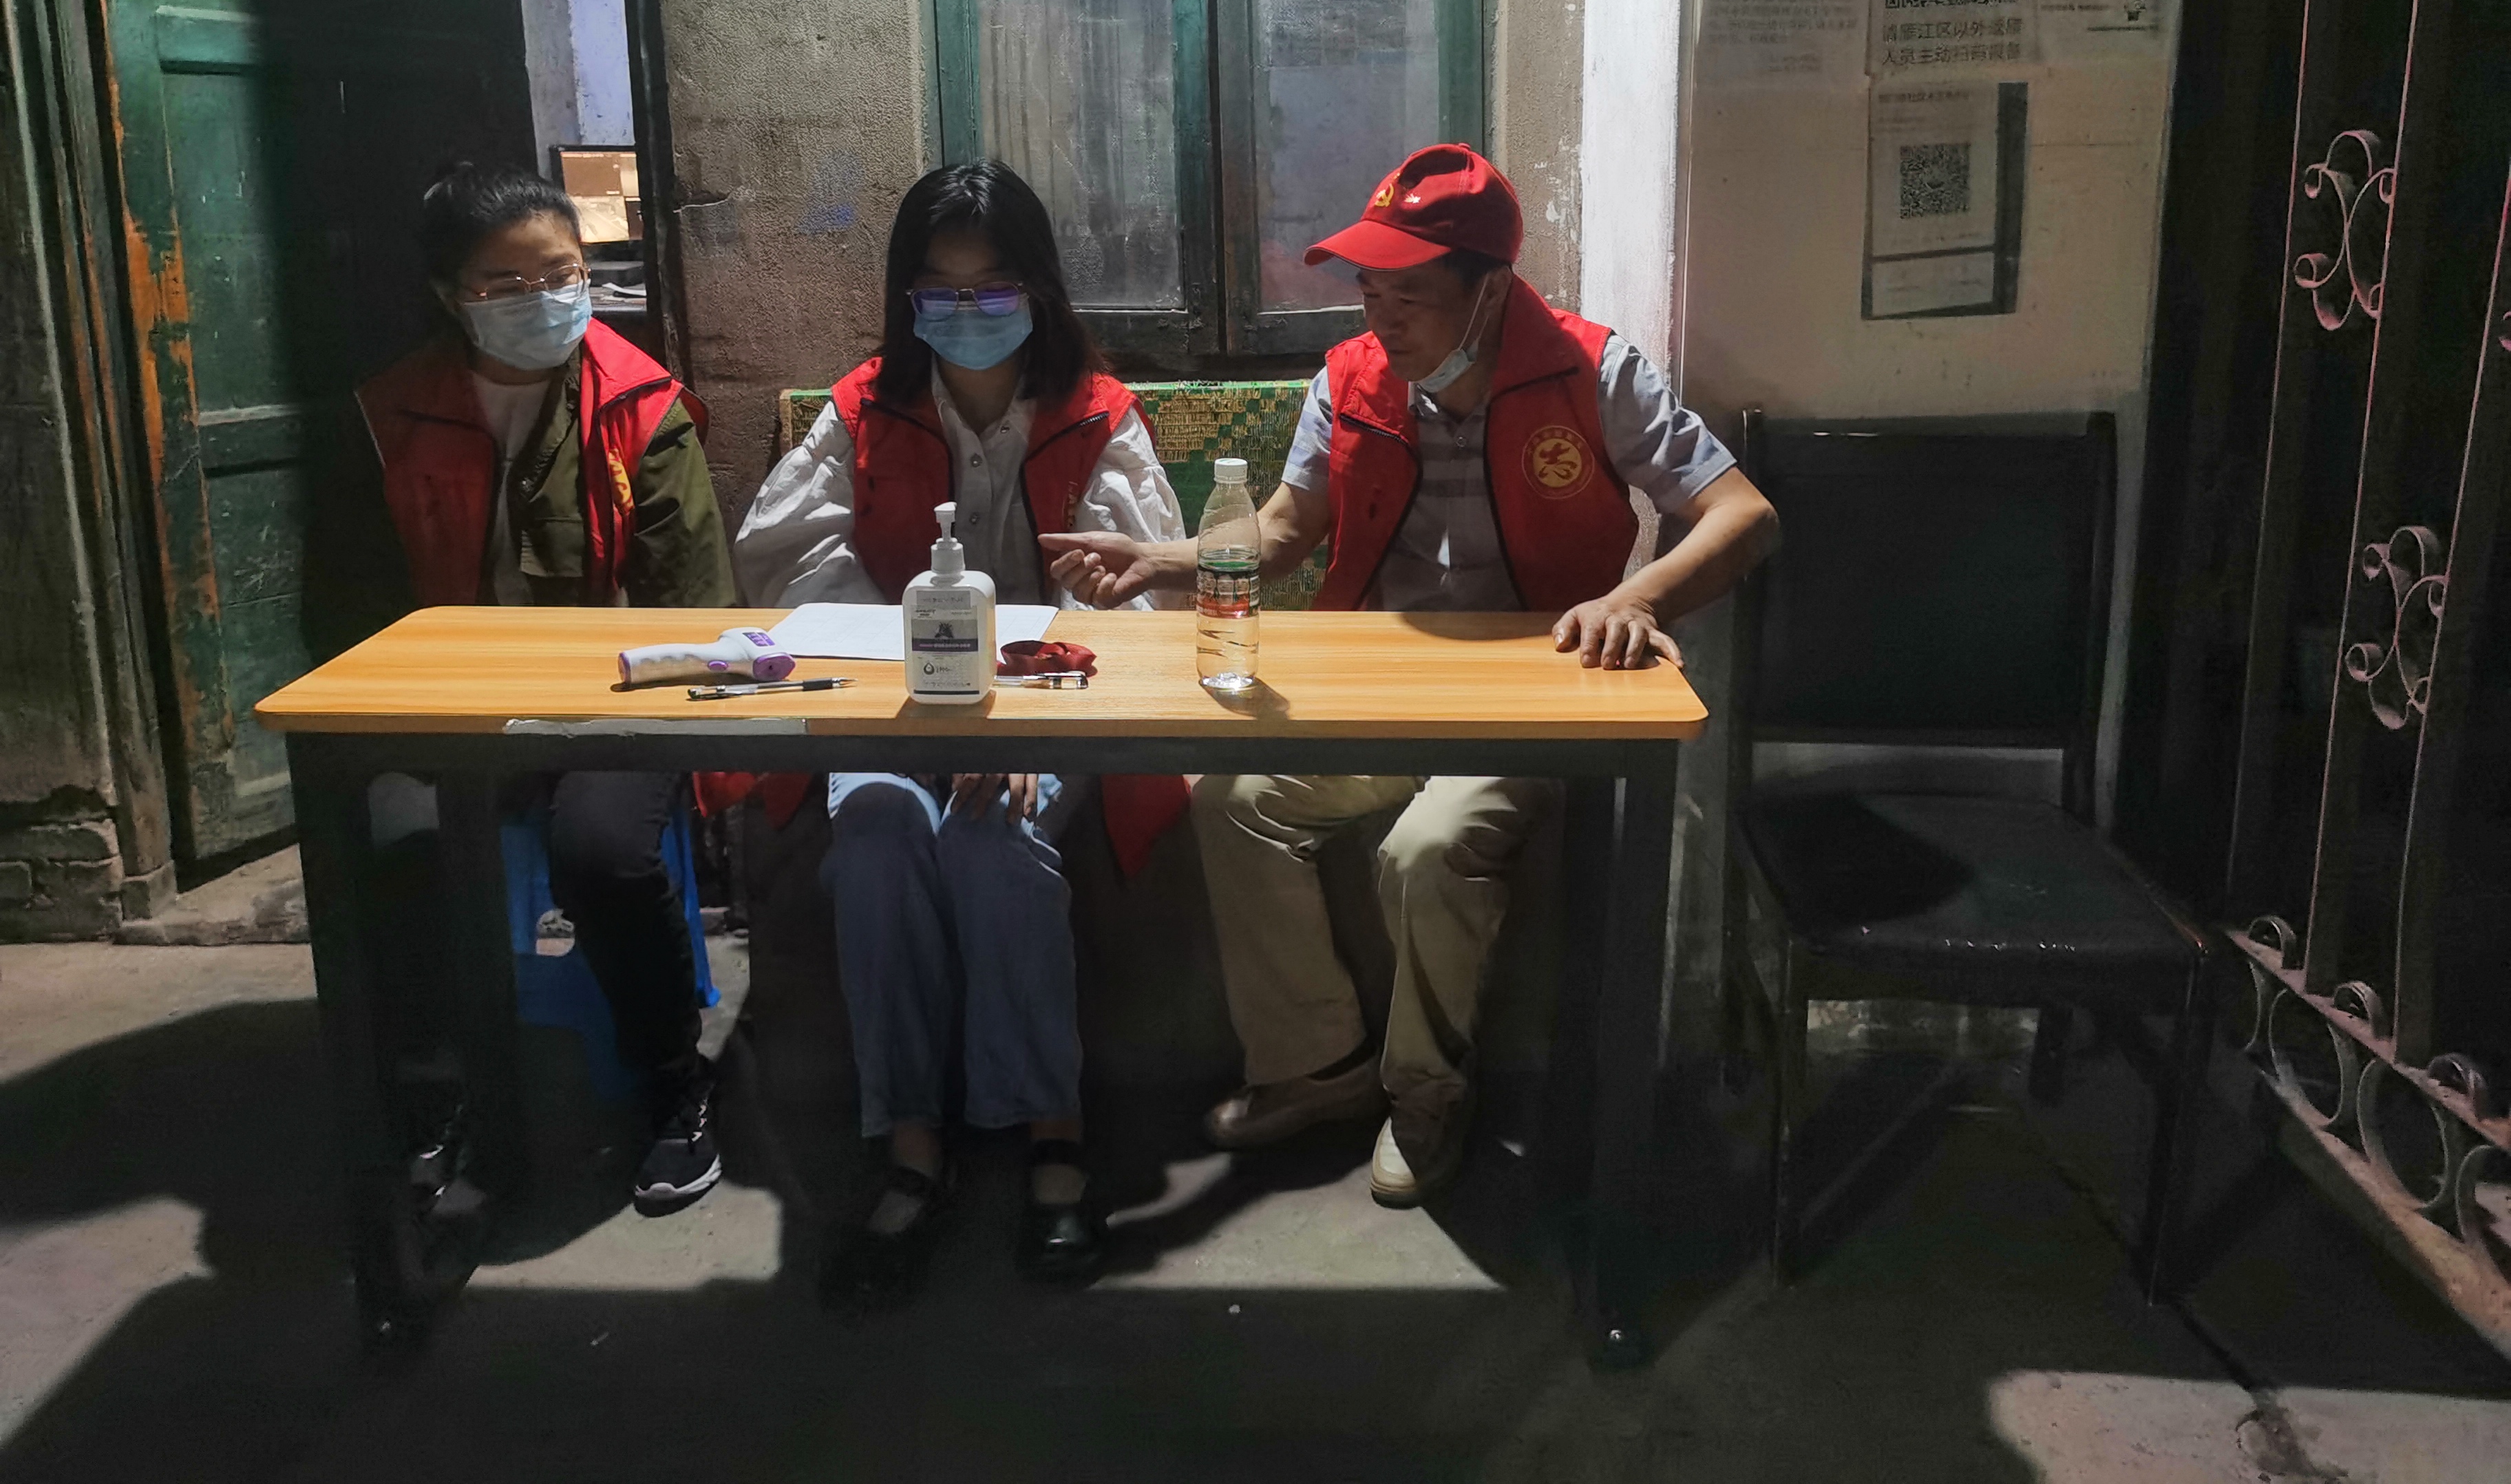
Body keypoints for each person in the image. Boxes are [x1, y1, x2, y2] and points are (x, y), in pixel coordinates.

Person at [1042, 143, 1779, 1207]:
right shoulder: (1348, 381)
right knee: (1233, 800)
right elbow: (1283, 533)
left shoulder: (1592, 372)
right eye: (1370, 293)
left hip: (1530, 699)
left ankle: (1428, 1092)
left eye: (1412, 297)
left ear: (1492, 292)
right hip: (1377, 691)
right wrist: (1157, 560)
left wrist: (1638, 599)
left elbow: (1744, 514)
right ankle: (1318, 1068)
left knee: (1428, 850)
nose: (1383, 321)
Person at [734, 160, 1189, 1301]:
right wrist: (918, 681)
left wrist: (1022, 728)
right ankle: (913, 1143)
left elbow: (1136, 602)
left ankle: (1052, 1131)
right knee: (878, 837)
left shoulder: (1099, 414)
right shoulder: (861, 411)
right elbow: (786, 561)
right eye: (939, 289)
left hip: (1051, 714)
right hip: (890, 708)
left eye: (993, 287)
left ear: (1038, 289)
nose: (967, 311)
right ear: (907, 297)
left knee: (996, 842)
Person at [347, 164, 734, 1218]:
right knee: (397, 838)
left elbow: (694, 611)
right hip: (446, 705)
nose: (544, 300)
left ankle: (674, 1084)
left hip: (614, 703)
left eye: (562, 275)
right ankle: (441, 1090)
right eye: (505, 284)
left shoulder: (642, 408)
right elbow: (349, 607)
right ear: (448, 294)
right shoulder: (391, 415)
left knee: (601, 851)